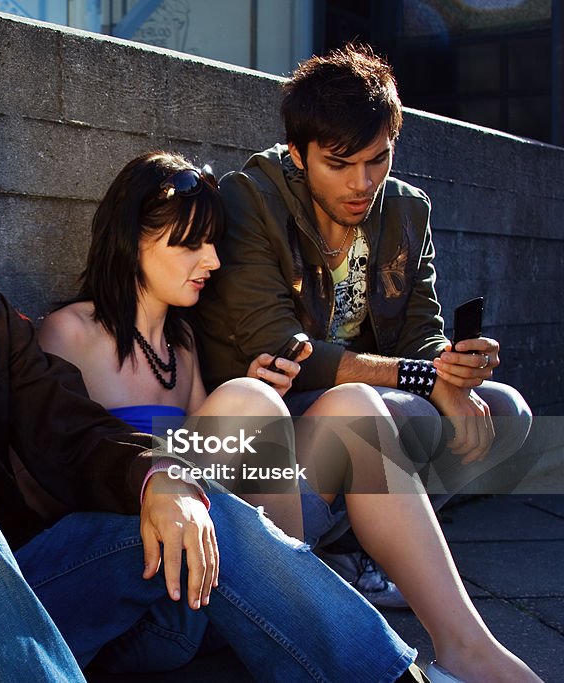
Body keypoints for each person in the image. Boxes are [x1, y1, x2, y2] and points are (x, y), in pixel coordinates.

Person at [0, 67, 433, 682]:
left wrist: (158, 478)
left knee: (194, 493)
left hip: (3, 599)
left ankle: (389, 673)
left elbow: (69, 430)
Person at [40, 150, 541, 683]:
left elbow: (226, 471)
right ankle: (311, 621)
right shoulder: (69, 334)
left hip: (222, 563)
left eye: (212, 243)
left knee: (354, 408)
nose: (210, 260)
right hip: (147, 589)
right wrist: (247, 404)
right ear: (133, 238)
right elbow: (58, 475)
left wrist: (259, 397)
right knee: (250, 401)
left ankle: (464, 644)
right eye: (190, 244)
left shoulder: (180, 346)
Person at [195, 43, 533, 610]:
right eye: (339, 163)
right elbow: (282, 349)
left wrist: (452, 364)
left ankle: (363, 554)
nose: (362, 183)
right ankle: (329, 557)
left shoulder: (405, 210)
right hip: (282, 418)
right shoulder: (248, 200)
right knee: (402, 408)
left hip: (371, 401)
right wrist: (430, 380)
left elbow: (421, 329)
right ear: (298, 155)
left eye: (378, 159)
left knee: (503, 411)